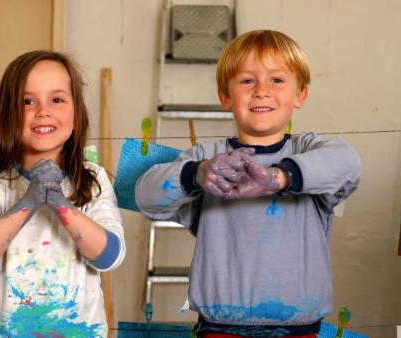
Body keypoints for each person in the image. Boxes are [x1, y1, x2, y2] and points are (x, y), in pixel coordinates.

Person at [135, 30, 361, 338]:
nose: (261, 91)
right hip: (220, 328)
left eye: (277, 80)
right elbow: (146, 195)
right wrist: (198, 174)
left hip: (299, 328)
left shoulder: (307, 152)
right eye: (247, 81)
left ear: (301, 94)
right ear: (225, 96)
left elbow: (349, 164)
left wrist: (280, 178)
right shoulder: (207, 159)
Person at [0, 50, 125, 338]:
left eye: (57, 100)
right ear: (6, 115)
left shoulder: (91, 178)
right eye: (27, 101)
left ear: (76, 115)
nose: (43, 111)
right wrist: (27, 202)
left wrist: (60, 203)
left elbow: (109, 257)